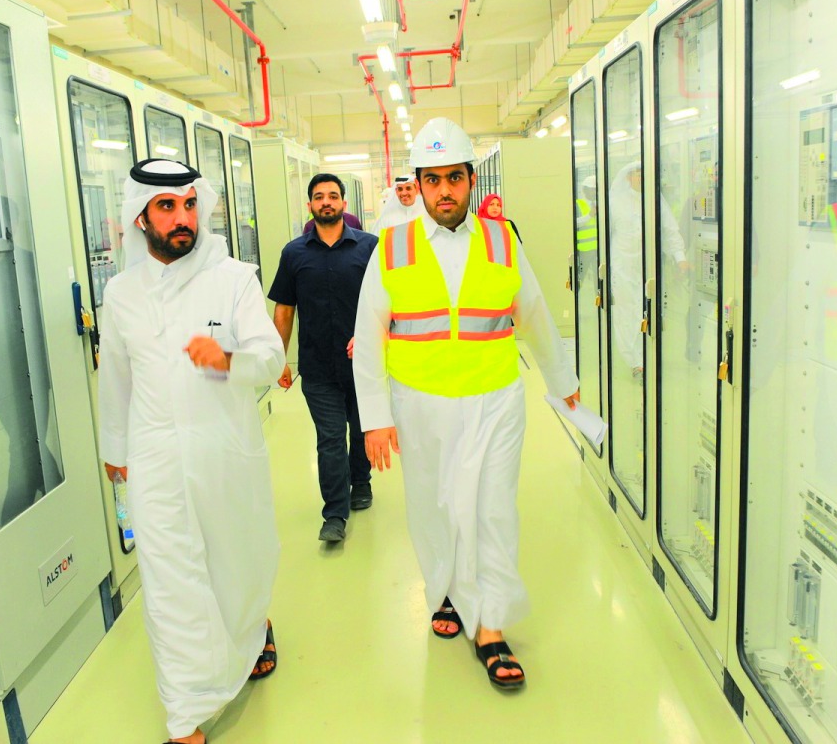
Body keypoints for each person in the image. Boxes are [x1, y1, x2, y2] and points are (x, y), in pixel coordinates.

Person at [353, 118, 580, 691]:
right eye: (433, 180)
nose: (444, 191)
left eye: (455, 178)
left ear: (471, 180)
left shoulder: (502, 241)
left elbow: (534, 314)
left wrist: (562, 379)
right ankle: (448, 590)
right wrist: (375, 420)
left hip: (495, 398)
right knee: (434, 507)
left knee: (492, 508)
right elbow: (368, 335)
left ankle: (492, 626)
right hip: (420, 403)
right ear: (419, 184)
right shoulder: (393, 247)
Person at [98, 159, 285, 744]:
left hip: (225, 450)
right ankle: (185, 715)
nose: (182, 218)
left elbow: (273, 356)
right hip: (154, 457)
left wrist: (229, 359)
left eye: (188, 204)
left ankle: (252, 629)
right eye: (166, 207)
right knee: (168, 578)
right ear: (141, 217)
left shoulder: (235, 278)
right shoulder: (120, 293)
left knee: (239, 560)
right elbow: (116, 378)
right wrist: (114, 445)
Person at [270, 173, 379, 543]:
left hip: (363, 364)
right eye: (319, 197)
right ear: (310, 206)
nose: (326, 202)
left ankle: (361, 481)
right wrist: (277, 358)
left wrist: (377, 340)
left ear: (344, 203)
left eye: (333, 196)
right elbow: (284, 309)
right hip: (317, 366)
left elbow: (389, 304)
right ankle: (334, 514)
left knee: (360, 427)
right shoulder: (293, 254)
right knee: (330, 437)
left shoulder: (370, 248)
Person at [607, 161, 688, 379]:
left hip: (649, 266)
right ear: (628, 177)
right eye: (636, 174)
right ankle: (634, 361)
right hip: (622, 266)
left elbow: (670, 230)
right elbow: (606, 236)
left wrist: (679, 257)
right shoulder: (615, 203)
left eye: (644, 174)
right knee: (626, 313)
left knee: (647, 310)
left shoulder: (655, 201)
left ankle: (646, 357)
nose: (640, 178)